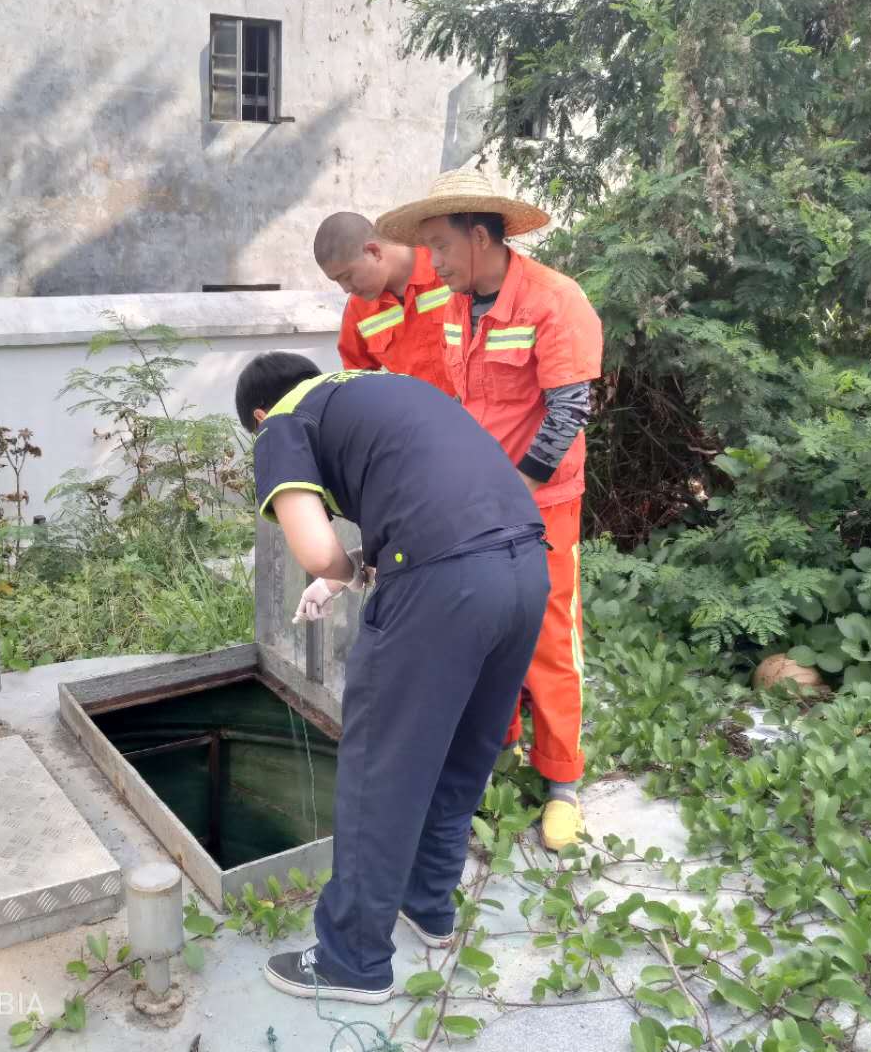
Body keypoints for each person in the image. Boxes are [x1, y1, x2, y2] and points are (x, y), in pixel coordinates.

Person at [235, 352, 550, 1003]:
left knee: (379, 767)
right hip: (524, 568)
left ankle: (351, 957)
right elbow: (429, 505)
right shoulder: (382, 389)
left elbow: (314, 547)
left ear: (260, 415)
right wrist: (342, 577)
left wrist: (340, 573)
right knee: (462, 751)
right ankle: (429, 903)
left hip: (445, 586)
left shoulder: (281, 423)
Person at [376, 168, 603, 852]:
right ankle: (496, 747)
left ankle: (563, 783)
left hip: (544, 503)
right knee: (479, 626)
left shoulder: (555, 301)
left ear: (480, 237)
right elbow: (456, 402)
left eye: (441, 246)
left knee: (548, 636)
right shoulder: (452, 308)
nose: (434, 262)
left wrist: (513, 490)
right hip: (479, 502)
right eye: (427, 249)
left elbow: (568, 413)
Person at [313, 211, 456, 396]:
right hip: (415, 414)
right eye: (337, 281)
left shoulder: (446, 265)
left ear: (374, 251)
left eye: (347, 276)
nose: (345, 289)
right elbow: (358, 382)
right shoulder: (358, 310)